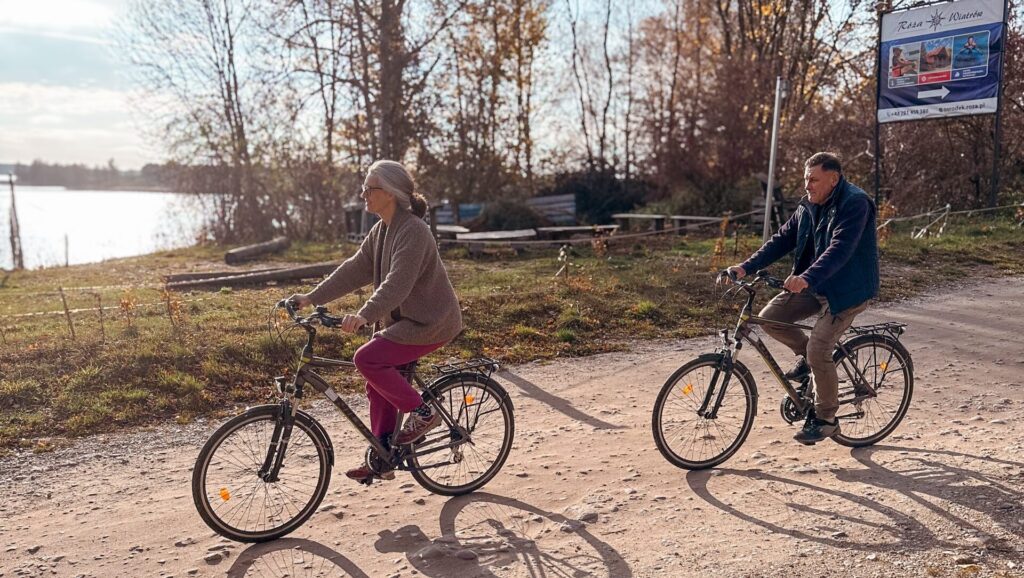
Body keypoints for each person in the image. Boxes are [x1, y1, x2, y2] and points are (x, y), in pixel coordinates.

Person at [289, 160, 463, 482]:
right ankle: (384, 456)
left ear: (391, 194)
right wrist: (312, 298)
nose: (363, 194)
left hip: (430, 322)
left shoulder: (414, 231)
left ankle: (425, 413)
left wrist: (365, 314)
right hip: (403, 322)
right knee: (377, 384)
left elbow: (397, 283)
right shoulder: (381, 229)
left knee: (367, 358)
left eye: (370, 188)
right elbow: (354, 269)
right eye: (365, 188)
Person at [727, 152, 879, 445]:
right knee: (772, 318)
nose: (807, 186)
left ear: (833, 179)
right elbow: (782, 239)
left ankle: (825, 418)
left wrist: (806, 277)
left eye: (813, 179)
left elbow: (840, 249)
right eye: (805, 179)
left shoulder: (855, 203)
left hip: (848, 289)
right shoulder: (809, 204)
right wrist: (746, 266)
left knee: (820, 347)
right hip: (817, 284)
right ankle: (810, 362)